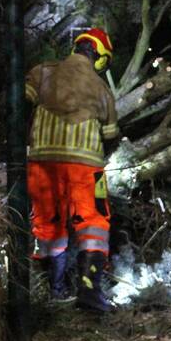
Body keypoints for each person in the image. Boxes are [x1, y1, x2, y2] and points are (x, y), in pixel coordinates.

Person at [25, 27, 120, 312]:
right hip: (85, 165)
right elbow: (111, 133)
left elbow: (19, 101)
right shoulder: (102, 89)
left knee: (47, 225)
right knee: (94, 225)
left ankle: (51, 288)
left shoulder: (43, 72)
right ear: (101, 57)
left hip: (42, 161)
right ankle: (89, 292)